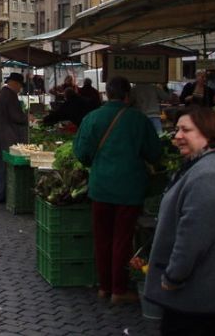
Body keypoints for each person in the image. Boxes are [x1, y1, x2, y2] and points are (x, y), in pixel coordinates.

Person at [144, 106, 215, 335]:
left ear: (207, 131)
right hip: (214, 295)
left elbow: (193, 236)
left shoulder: (209, 175)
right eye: (177, 129)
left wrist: (173, 277)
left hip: (199, 299)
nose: (177, 136)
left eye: (185, 130)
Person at [73, 76, 160, 305]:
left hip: (100, 187)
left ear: (106, 94)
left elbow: (81, 153)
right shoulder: (138, 120)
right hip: (129, 188)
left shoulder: (92, 118)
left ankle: (104, 287)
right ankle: (119, 290)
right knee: (122, 238)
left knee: (102, 238)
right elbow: (154, 153)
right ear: (127, 96)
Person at [0, 72, 29, 203]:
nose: (20, 89)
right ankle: (3, 195)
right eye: (20, 86)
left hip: (2, 134)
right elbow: (16, 116)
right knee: (6, 167)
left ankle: (0, 194)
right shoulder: (10, 95)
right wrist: (27, 118)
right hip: (10, 135)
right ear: (14, 83)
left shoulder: (2, 94)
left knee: (2, 166)